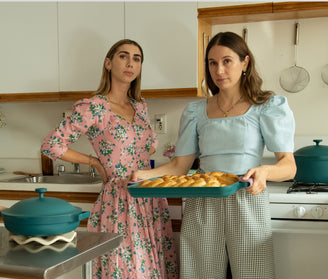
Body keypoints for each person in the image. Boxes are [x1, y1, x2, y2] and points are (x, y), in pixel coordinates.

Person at [131, 32, 296, 279]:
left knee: (254, 274)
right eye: (212, 62)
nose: (219, 70)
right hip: (203, 200)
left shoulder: (266, 106)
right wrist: (143, 175)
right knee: (200, 274)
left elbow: (289, 166)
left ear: (245, 63)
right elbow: (180, 166)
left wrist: (265, 171)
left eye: (227, 61)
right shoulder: (196, 110)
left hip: (246, 199)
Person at [41, 39, 178, 278]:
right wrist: (94, 161)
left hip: (151, 199)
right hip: (121, 202)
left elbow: (147, 150)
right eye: (123, 56)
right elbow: (52, 145)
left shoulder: (141, 107)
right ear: (108, 63)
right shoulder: (95, 107)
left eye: (137, 58)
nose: (130, 63)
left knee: (155, 270)